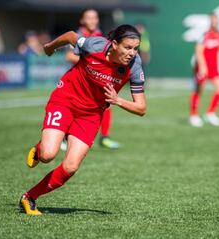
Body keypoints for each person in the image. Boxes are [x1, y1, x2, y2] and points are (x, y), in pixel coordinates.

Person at [19, 24, 146, 215]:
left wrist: (118, 100)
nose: (132, 53)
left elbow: (141, 108)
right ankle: (40, 149)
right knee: (47, 155)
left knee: (70, 167)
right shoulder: (94, 45)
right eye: (127, 47)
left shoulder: (134, 65)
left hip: (91, 114)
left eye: (135, 48)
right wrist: (50, 47)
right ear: (114, 44)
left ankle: (29, 197)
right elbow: (71, 36)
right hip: (65, 100)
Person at [62, 8, 120, 151]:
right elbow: (69, 56)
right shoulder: (77, 36)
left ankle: (105, 137)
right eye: (89, 18)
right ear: (82, 20)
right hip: (79, 80)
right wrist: (91, 62)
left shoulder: (101, 35)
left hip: (95, 80)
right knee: (73, 108)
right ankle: (63, 137)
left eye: (95, 17)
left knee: (107, 104)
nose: (92, 20)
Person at [189, 14, 219, 127]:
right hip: (203, 67)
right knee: (199, 90)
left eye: (216, 21)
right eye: (212, 21)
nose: (214, 23)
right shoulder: (205, 35)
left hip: (214, 67)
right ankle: (193, 115)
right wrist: (202, 66)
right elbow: (198, 50)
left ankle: (210, 113)